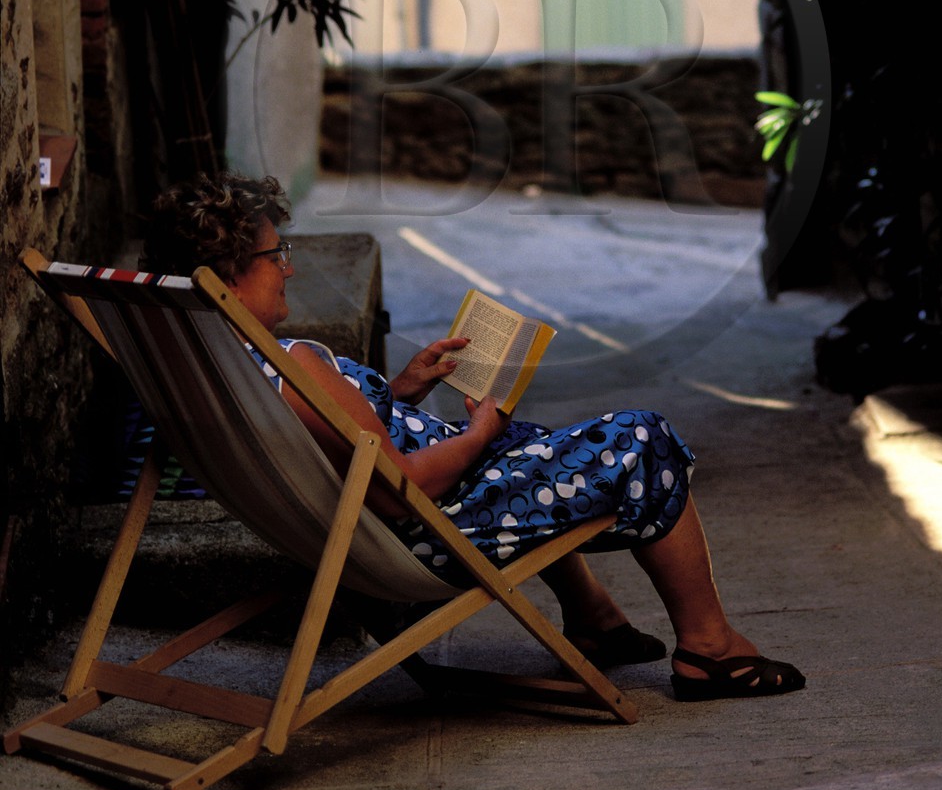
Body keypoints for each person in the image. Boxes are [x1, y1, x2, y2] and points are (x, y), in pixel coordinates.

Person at [140, 171, 805, 701]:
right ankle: (710, 650)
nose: (288, 266)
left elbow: (343, 442)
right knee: (641, 439)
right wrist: (479, 431)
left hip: (373, 521)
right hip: (429, 528)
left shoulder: (213, 361)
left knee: (536, 446)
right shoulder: (292, 367)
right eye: (274, 254)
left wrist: (398, 393)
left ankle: (596, 621)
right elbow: (403, 493)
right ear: (226, 274)